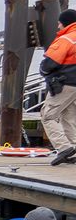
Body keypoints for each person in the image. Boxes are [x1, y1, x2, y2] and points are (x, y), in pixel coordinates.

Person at [40, 9, 76, 164]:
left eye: (60, 23)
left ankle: (64, 148)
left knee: (47, 115)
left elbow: (49, 63)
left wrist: (44, 71)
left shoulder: (66, 39)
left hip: (65, 83)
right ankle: (73, 149)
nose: (58, 26)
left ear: (65, 22)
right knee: (68, 116)